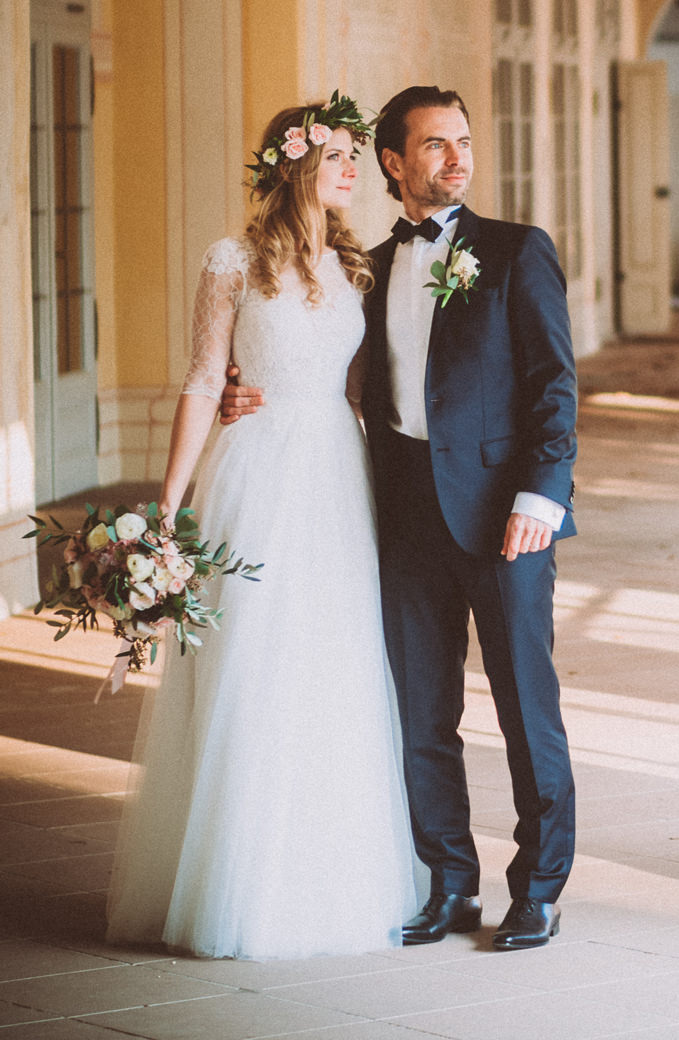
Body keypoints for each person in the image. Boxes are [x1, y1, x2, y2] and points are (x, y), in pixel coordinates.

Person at [222, 85, 578, 951]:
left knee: (527, 707)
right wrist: (244, 393)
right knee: (421, 710)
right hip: (403, 512)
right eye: (434, 146)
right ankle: (448, 881)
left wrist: (543, 494)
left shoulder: (516, 251)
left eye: (463, 141)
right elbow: (327, 364)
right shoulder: (366, 269)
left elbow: (554, 386)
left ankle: (537, 887)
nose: (456, 158)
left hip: (506, 515)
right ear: (393, 162)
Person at [106, 99, 419, 960]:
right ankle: (233, 880)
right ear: (294, 163)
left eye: (360, 157)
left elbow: (365, 392)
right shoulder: (233, 261)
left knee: (333, 660)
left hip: (336, 472)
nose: (355, 170)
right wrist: (166, 506)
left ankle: (327, 876)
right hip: (256, 471)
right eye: (339, 156)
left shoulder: (360, 265)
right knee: (253, 655)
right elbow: (207, 379)